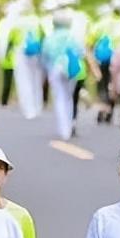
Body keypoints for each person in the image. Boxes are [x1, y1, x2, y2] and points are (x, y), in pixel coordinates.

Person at [41, 7, 87, 141]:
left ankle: (63, 129)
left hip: (55, 68)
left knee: (59, 97)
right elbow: (81, 52)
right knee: (69, 97)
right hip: (71, 69)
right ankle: (69, 124)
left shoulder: (50, 37)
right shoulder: (72, 36)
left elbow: (45, 55)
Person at [8, 0, 45, 120]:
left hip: (21, 53)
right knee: (36, 80)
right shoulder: (36, 20)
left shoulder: (16, 22)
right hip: (36, 53)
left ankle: (29, 110)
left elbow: (11, 40)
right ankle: (38, 107)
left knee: (24, 82)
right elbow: (42, 37)